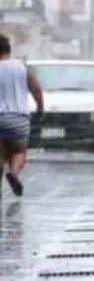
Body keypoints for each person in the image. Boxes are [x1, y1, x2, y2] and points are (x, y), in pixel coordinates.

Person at [0, 34, 44, 196]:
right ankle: (13, 172)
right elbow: (36, 90)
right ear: (9, 50)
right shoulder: (22, 67)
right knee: (19, 151)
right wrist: (40, 108)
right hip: (18, 117)